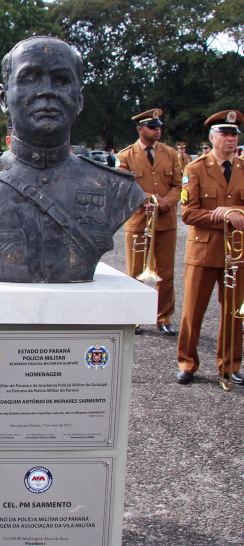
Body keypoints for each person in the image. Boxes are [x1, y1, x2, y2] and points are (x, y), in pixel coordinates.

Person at [0, 36, 145, 283]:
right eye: (30, 78)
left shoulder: (117, 189)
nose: (47, 91)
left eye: (61, 80)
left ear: (80, 100)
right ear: (4, 99)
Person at [176, 110, 244, 385]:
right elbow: (188, 214)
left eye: (234, 134)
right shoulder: (195, 169)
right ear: (211, 137)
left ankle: (229, 365)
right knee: (193, 310)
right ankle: (187, 363)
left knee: (234, 312)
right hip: (203, 251)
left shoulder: (242, 168)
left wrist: (233, 210)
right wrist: (225, 215)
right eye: (225, 133)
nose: (231, 138)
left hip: (236, 253)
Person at [115, 109, 182, 336]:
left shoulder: (171, 153)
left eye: (159, 126)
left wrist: (165, 201)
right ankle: (134, 317)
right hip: (139, 220)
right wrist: (148, 199)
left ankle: (163, 317)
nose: (157, 130)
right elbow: (123, 185)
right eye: (152, 127)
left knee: (166, 273)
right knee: (135, 272)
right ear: (140, 129)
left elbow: (178, 185)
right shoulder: (126, 156)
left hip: (165, 221)